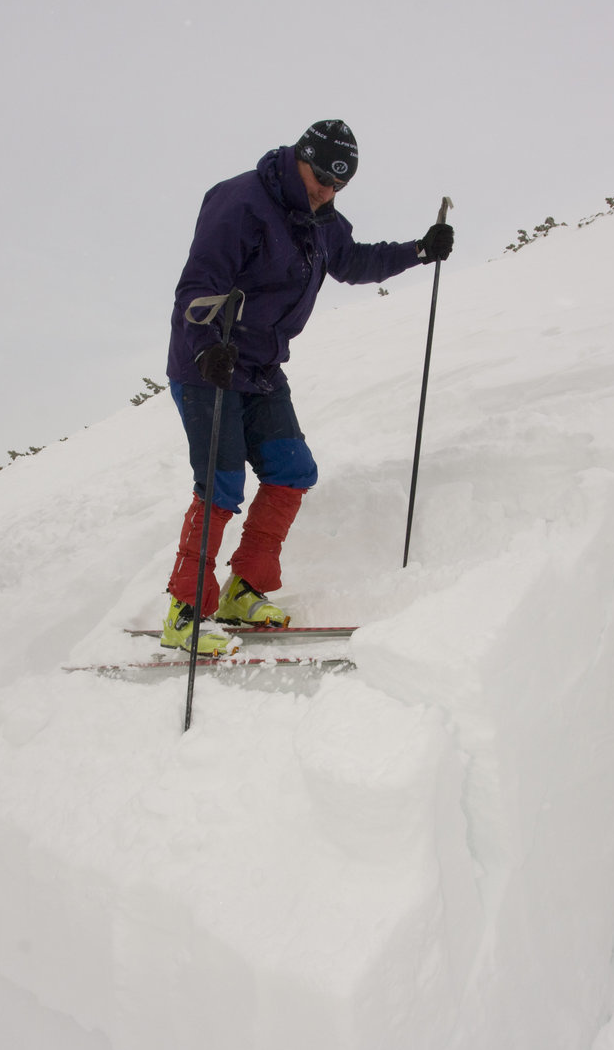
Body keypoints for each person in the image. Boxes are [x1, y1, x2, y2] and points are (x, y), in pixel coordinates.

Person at [161, 119, 453, 655]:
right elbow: (198, 284)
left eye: (338, 185)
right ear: (299, 156)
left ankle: (242, 592)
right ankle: (185, 612)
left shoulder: (321, 221)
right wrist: (206, 347)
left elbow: (354, 261)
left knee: (293, 470)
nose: (325, 190)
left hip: (264, 370)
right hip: (211, 365)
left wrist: (419, 251)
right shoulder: (240, 202)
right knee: (220, 485)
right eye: (319, 177)